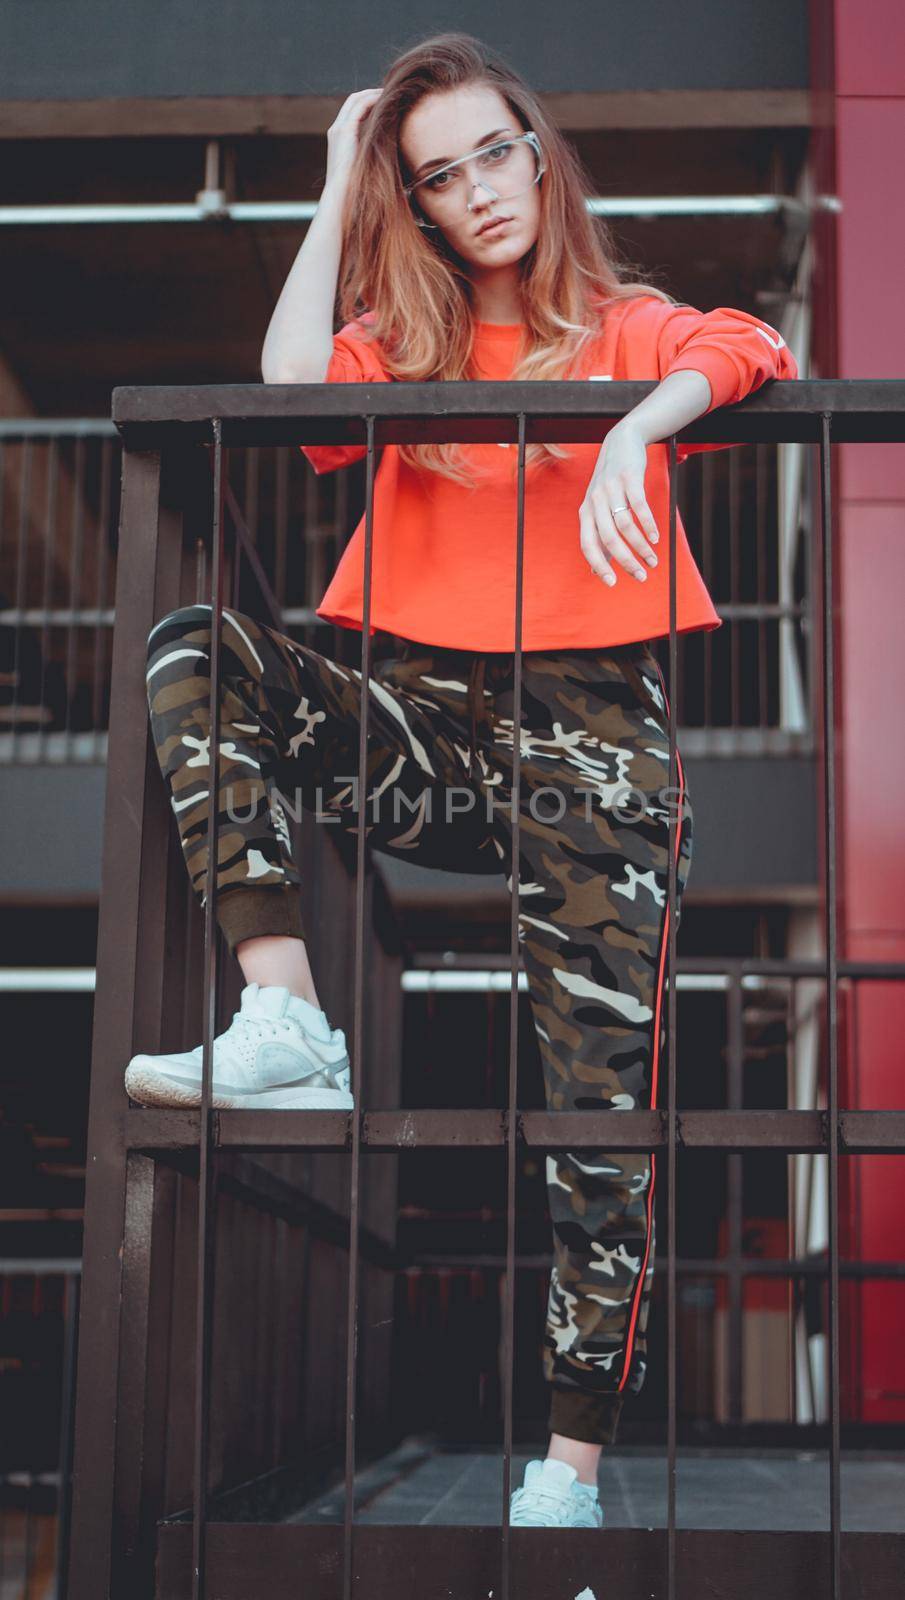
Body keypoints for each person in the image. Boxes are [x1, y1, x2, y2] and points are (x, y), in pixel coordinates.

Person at [125, 32, 798, 1529]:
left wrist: (637, 424)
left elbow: (749, 343)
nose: (477, 189)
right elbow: (289, 382)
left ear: (538, 157)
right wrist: (328, 181)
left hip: (593, 757)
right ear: (415, 204)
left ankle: (565, 1479)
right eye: (437, 174)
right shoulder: (401, 344)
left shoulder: (626, 326)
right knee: (194, 652)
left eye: (494, 152)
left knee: (594, 1116)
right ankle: (288, 1015)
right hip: (426, 728)